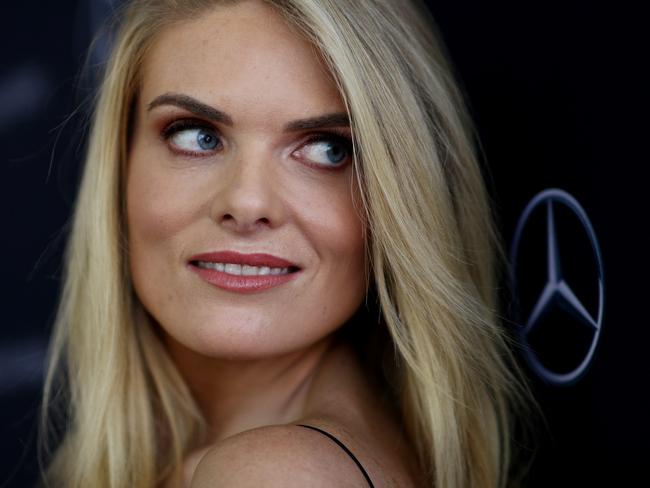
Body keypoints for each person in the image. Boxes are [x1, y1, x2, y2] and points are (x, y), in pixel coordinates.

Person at [38, 0, 535, 486]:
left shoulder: (274, 473)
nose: (248, 203)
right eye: (197, 136)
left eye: (326, 149)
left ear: (402, 197)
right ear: (120, 164)